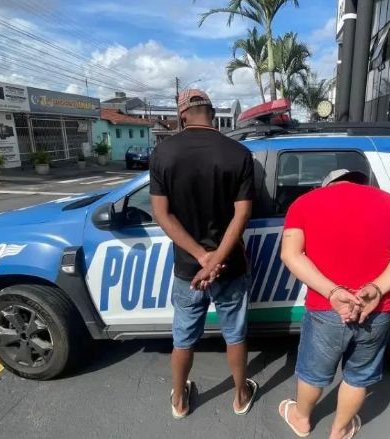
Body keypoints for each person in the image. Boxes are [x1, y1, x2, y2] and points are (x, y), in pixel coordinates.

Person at [279, 169, 390, 438]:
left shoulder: (304, 203)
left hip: (326, 308)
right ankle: (340, 430)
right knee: (358, 377)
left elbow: (290, 254)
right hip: (376, 309)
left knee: (313, 372)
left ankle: (301, 419)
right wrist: (376, 288)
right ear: (361, 183)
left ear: (328, 184)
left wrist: (333, 291)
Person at [149, 89, 258, 419]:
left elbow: (161, 214)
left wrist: (201, 257)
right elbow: (242, 214)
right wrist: (216, 260)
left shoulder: (163, 153)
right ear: (211, 112)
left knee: (183, 338)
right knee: (235, 335)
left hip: (188, 269)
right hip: (230, 266)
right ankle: (240, 396)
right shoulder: (239, 154)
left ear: (183, 115)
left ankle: (179, 402)